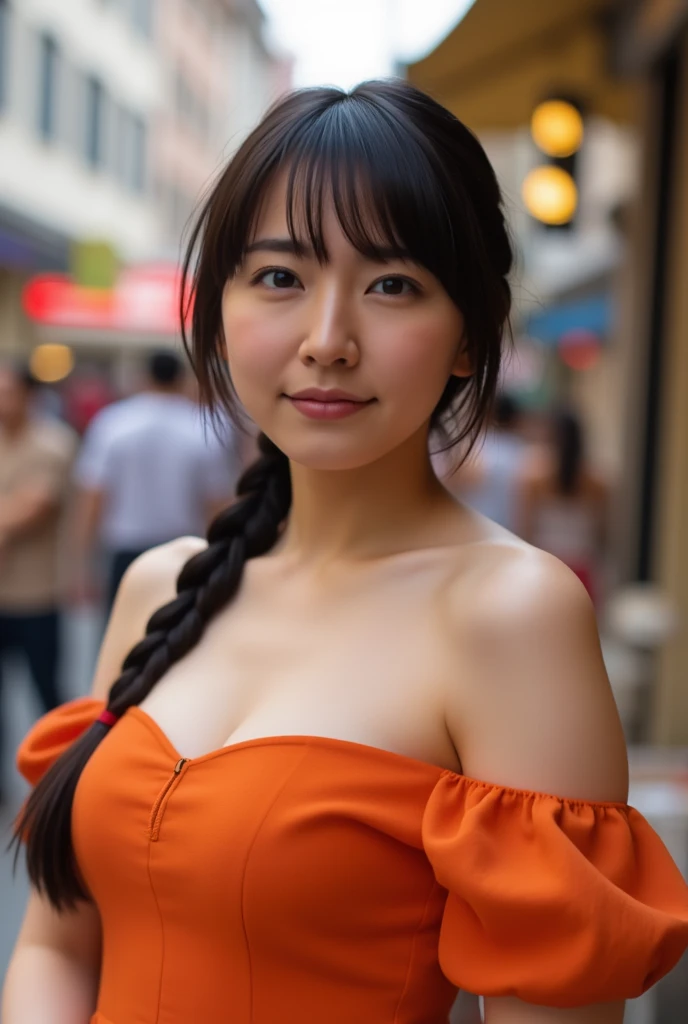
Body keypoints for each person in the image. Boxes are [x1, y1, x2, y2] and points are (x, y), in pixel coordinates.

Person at [5, 81, 688, 1024]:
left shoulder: (509, 614)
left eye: (393, 286)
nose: (328, 342)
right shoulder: (161, 589)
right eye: (281, 277)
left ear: (466, 335)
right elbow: (57, 943)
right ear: (221, 309)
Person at [71, 350, 238, 612]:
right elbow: (217, 503)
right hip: (185, 549)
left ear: (144, 377)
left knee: (122, 637)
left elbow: (93, 498)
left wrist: (83, 566)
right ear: (181, 379)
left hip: (125, 552)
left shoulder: (112, 423)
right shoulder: (204, 427)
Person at [0, 362, 77, 804]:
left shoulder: (52, 443)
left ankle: (59, 781)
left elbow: (36, 506)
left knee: (47, 693)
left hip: (36, 595)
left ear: (29, 395)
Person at [517, 406, 610, 605]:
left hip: (545, 568)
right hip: (582, 570)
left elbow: (525, 530)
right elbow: (603, 535)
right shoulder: (597, 483)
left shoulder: (533, 478)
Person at [436, 391, 531, 533]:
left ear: (489, 414)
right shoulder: (524, 454)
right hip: (509, 532)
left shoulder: (474, 449)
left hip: (474, 528)